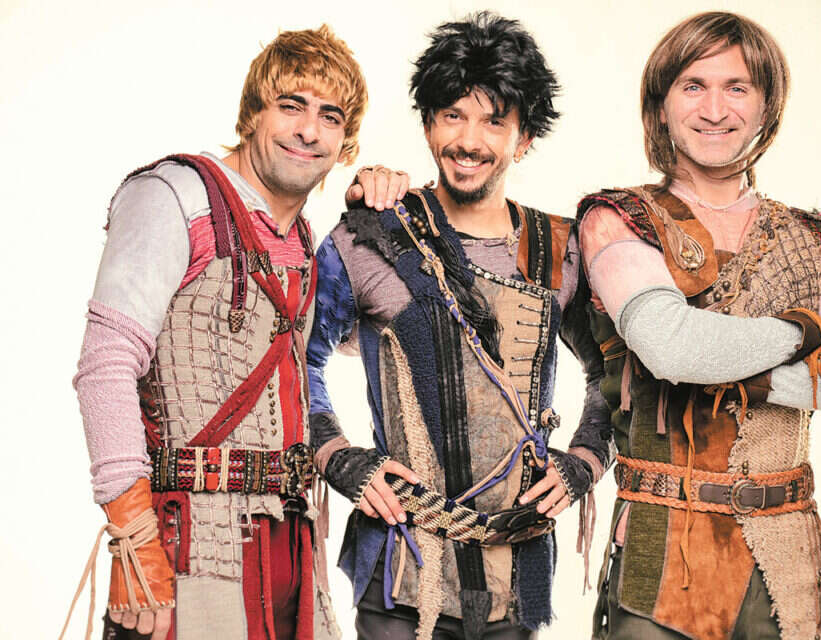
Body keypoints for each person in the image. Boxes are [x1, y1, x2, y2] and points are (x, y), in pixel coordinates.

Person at [65, 26, 406, 640]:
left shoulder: (303, 238)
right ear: (253, 114)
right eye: (291, 106)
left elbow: (365, 341)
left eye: (330, 117)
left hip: (290, 546)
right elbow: (106, 366)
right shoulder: (172, 196)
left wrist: (376, 227)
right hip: (188, 543)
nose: (309, 131)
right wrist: (134, 536)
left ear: (345, 143)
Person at [577, 11, 821, 640]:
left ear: (767, 106)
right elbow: (673, 348)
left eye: (737, 87)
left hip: (788, 557)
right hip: (664, 552)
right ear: (661, 106)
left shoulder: (810, 239)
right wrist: (804, 332)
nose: (715, 109)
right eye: (693, 85)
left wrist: (749, 378)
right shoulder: (619, 219)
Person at [306, 12, 612, 640]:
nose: (469, 140)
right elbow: (296, 360)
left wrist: (583, 460)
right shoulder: (369, 236)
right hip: (399, 575)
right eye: (453, 115)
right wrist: (337, 456)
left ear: (525, 138)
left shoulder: (559, 250)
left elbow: (613, 372)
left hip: (515, 575)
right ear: (427, 124)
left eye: (494, 121)